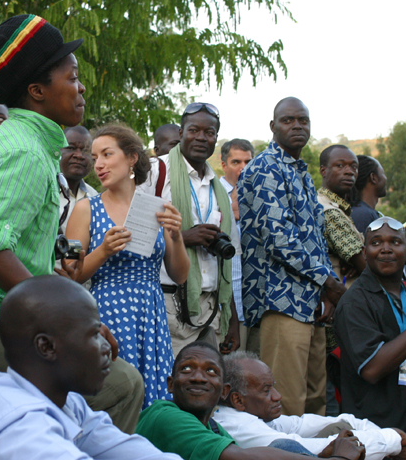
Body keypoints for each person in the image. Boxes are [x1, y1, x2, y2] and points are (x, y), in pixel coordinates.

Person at [0, 15, 140, 434]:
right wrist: (65, 318)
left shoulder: (4, 143)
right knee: (120, 382)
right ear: (37, 92)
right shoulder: (25, 152)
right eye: (71, 77)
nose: (81, 87)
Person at [0, 276, 181, 460]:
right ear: (46, 347)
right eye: (93, 334)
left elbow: (125, 449)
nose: (107, 346)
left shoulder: (66, 403)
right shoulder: (21, 425)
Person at [237, 97, 346, 416]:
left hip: (309, 302)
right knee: (284, 404)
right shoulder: (265, 167)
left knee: (315, 403)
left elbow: (315, 238)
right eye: (288, 120)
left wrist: (325, 290)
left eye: (303, 120)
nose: (297, 125)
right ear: (273, 127)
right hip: (279, 302)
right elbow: (279, 240)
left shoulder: (300, 171)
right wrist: (328, 280)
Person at [66, 124, 189, 407]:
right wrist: (103, 251)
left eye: (106, 155)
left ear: (132, 158)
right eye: (95, 157)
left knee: (153, 399)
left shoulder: (157, 207)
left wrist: (175, 236)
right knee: (115, 397)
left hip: (151, 311)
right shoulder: (86, 208)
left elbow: (180, 275)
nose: (98, 164)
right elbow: (69, 274)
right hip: (108, 311)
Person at [136, 341, 367, 460]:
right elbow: (241, 457)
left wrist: (320, 454)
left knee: (285, 447)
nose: (198, 377)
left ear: (224, 390)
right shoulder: (165, 415)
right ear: (169, 384)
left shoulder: (214, 428)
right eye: (186, 369)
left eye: (210, 371)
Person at [334, 217, 406, 458]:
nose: (386, 249)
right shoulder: (355, 302)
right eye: (376, 242)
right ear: (364, 251)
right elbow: (372, 368)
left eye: (395, 242)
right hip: (380, 432)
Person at [138, 103, 240, 356]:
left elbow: (231, 262)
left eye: (210, 132)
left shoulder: (218, 188)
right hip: (167, 304)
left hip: (212, 309)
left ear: (216, 138)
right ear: (181, 132)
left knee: (203, 388)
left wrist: (233, 320)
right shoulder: (155, 172)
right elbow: (132, 237)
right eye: (194, 130)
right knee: (169, 386)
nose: (201, 137)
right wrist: (183, 238)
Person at [214, 351, 406, 460]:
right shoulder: (236, 424)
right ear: (238, 400)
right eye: (266, 391)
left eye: (274, 387)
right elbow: (305, 447)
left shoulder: (253, 414)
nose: (278, 396)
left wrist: (392, 440)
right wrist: (393, 440)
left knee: (342, 428)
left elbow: (311, 423)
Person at [219, 139, 254, 351]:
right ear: (223, 165)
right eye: (236, 162)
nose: (243, 168)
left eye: (248, 162)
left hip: (254, 304)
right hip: (227, 305)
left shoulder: (259, 195)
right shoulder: (214, 194)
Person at [317, 145, 365, 286]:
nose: (349, 172)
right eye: (340, 165)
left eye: (354, 167)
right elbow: (366, 265)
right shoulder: (328, 210)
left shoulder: (336, 206)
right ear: (323, 171)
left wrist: (355, 263)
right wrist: (358, 264)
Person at [59, 125, 98, 233]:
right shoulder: (43, 190)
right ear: (58, 151)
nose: (79, 155)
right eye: (71, 148)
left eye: (85, 150)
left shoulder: (94, 197)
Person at [350, 155, 386, 233]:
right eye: (383, 173)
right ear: (373, 178)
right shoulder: (363, 215)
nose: (385, 178)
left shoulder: (362, 212)